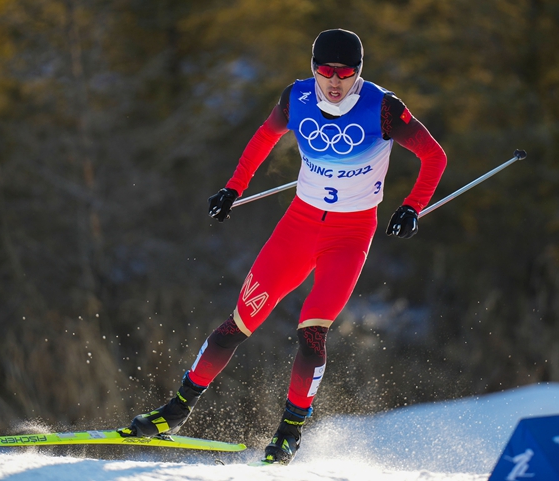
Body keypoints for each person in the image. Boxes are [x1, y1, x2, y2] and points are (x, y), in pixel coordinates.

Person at [119, 28, 447, 465]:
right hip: (299, 225)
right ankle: (174, 413)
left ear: (358, 72)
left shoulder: (384, 108)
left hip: (349, 236)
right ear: (312, 68)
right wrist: (232, 188)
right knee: (239, 321)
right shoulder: (297, 98)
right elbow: (262, 137)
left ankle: (289, 433)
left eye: (344, 74)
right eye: (324, 71)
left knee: (312, 333)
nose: (333, 82)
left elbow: (435, 156)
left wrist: (411, 207)